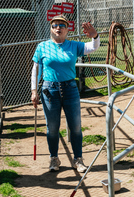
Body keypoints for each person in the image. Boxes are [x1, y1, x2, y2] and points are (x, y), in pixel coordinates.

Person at [31, 15, 100, 172]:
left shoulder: (73, 45)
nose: (58, 28)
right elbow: (35, 70)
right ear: (51, 28)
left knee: (75, 126)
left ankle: (78, 159)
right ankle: (54, 158)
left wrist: (95, 36)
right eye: (55, 25)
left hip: (70, 89)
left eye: (62, 25)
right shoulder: (42, 47)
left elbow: (93, 47)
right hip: (50, 90)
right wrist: (34, 91)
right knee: (52, 127)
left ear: (67, 29)